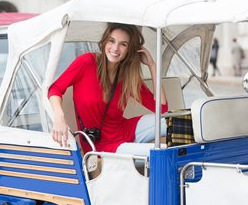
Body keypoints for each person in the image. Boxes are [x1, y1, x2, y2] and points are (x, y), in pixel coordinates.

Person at [48, 23, 168, 156]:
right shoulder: (86, 62)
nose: (115, 48)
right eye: (112, 41)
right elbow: (55, 89)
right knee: (163, 150)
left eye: (123, 44)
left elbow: (161, 108)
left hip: (125, 131)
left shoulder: (127, 76)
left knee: (171, 122)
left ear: (129, 50)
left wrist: (152, 65)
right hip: (99, 145)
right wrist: (59, 117)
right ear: (105, 42)